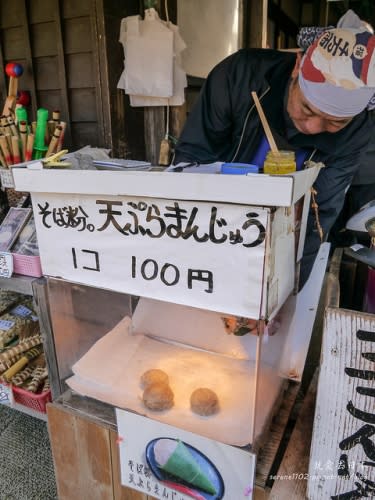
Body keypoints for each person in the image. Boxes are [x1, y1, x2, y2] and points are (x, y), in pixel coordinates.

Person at [173, 23, 375, 288]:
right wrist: (187, 261)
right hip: (217, 217)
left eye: (334, 123)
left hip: (284, 229)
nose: (313, 128)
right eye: (307, 108)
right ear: (298, 66)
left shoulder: (358, 128)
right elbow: (191, 162)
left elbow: (320, 215)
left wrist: (288, 290)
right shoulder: (241, 75)